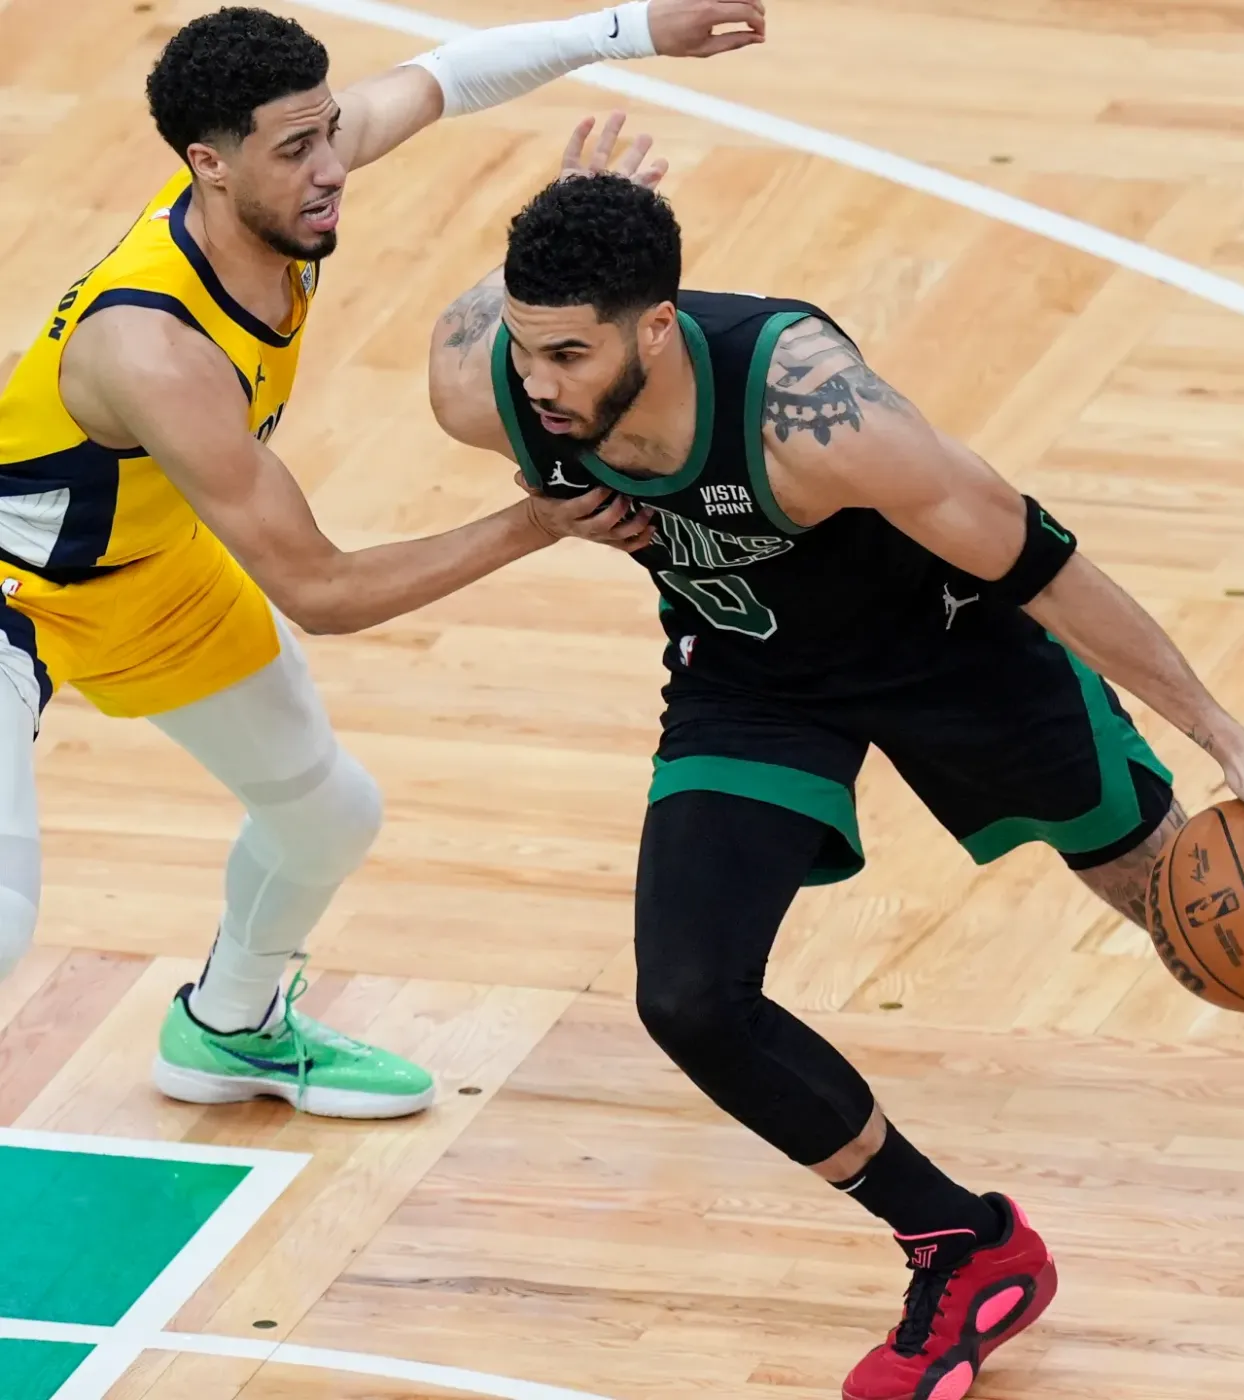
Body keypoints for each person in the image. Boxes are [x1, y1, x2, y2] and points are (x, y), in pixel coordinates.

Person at [427, 124, 1244, 1400]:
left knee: (1209, 917)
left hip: (955, 656)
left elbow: (1036, 559)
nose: (539, 382)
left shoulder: (814, 413)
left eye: (571, 351)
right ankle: (966, 1247)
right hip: (754, 676)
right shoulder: (476, 377)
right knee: (688, 996)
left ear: (656, 327)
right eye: (527, 342)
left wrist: (1231, 737)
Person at [0, 1, 763, 1119]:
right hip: (8, 594)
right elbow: (323, 590)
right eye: (297, 149)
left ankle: (229, 1028)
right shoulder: (153, 349)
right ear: (209, 166)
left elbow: (446, 72)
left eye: (328, 134)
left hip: (145, 566)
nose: (331, 168)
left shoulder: (280, 183)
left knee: (326, 814)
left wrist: (637, 26)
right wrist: (533, 522)